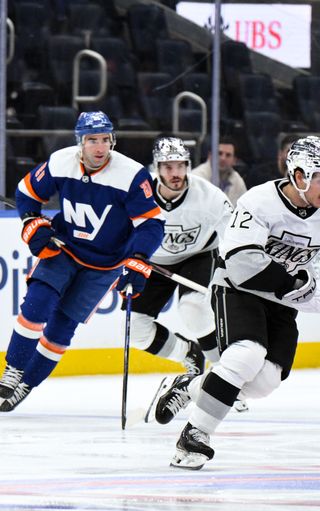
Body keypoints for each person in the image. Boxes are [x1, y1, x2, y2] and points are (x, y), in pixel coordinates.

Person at [150, 136, 320, 469]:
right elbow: (241, 263)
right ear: (298, 176)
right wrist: (296, 285)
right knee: (245, 355)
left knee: (264, 383)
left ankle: (190, 386)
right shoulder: (259, 201)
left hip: (281, 300)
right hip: (238, 289)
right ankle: (194, 437)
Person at [0, 111, 165, 411]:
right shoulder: (61, 162)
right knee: (37, 304)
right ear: (80, 142)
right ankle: (13, 371)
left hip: (105, 264)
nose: (100, 147)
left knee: (62, 328)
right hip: (62, 249)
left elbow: (151, 224)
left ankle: (27, 383)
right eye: (92, 140)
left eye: (105, 139)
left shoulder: (131, 174)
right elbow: (26, 192)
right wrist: (32, 223)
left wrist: (139, 260)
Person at [126, 137, 232, 381]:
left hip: (198, 256)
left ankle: (225, 375)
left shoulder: (209, 196)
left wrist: (235, 270)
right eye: (168, 167)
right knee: (136, 330)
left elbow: (233, 235)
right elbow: (119, 230)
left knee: (194, 310)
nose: (176, 173)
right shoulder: (138, 195)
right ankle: (188, 354)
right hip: (152, 261)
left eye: (181, 166)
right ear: (156, 168)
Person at [193, 136, 247, 206]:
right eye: (219, 153)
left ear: (234, 161)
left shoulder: (238, 181)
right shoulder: (196, 178)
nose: (223, 158)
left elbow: (244, 210)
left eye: (228, 155)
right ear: (210, 155)